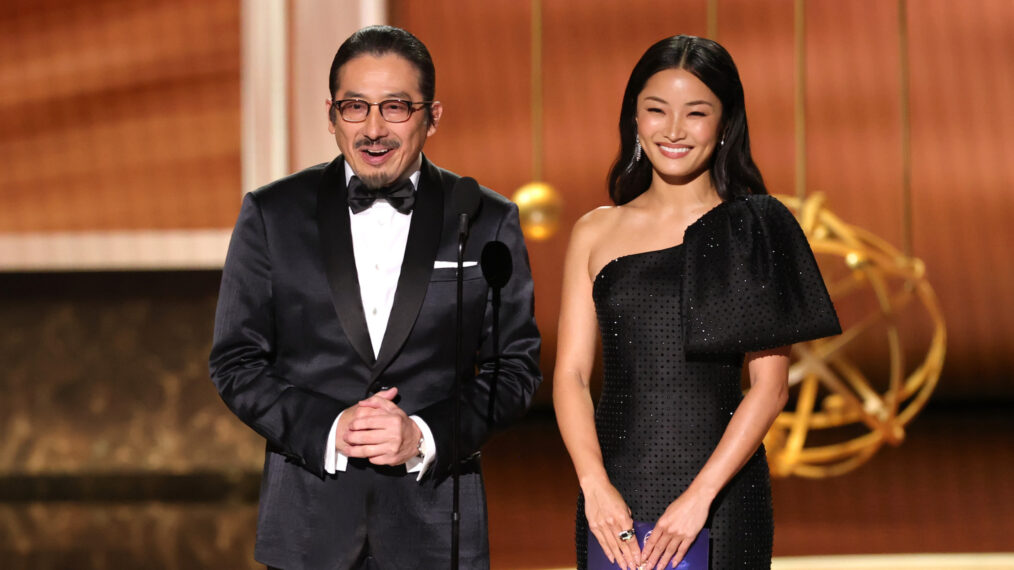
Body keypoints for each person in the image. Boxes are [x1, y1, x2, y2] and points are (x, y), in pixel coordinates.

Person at [209, 25, 541, 570]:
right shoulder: (272, 214)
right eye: (355, 107)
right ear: (331, 113)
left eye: (395, 107)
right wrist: (330, 428)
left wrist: (425, 434)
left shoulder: (485, 218)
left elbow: (515, 369)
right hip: (309, 529)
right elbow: (235, 361)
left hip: (437, 530)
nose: (373, 129)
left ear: (433, 116)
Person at [553, 35, 840, 570]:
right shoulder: (595, 230)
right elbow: (570, 374)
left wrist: (698, 499)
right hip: (612, 499)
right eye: (656, 111)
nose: (675, 130)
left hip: (720, 499)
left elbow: (770, 389)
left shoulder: (753, 228)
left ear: (725, 123)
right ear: (634, 119)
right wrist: (594, 485)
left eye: (696, 113)